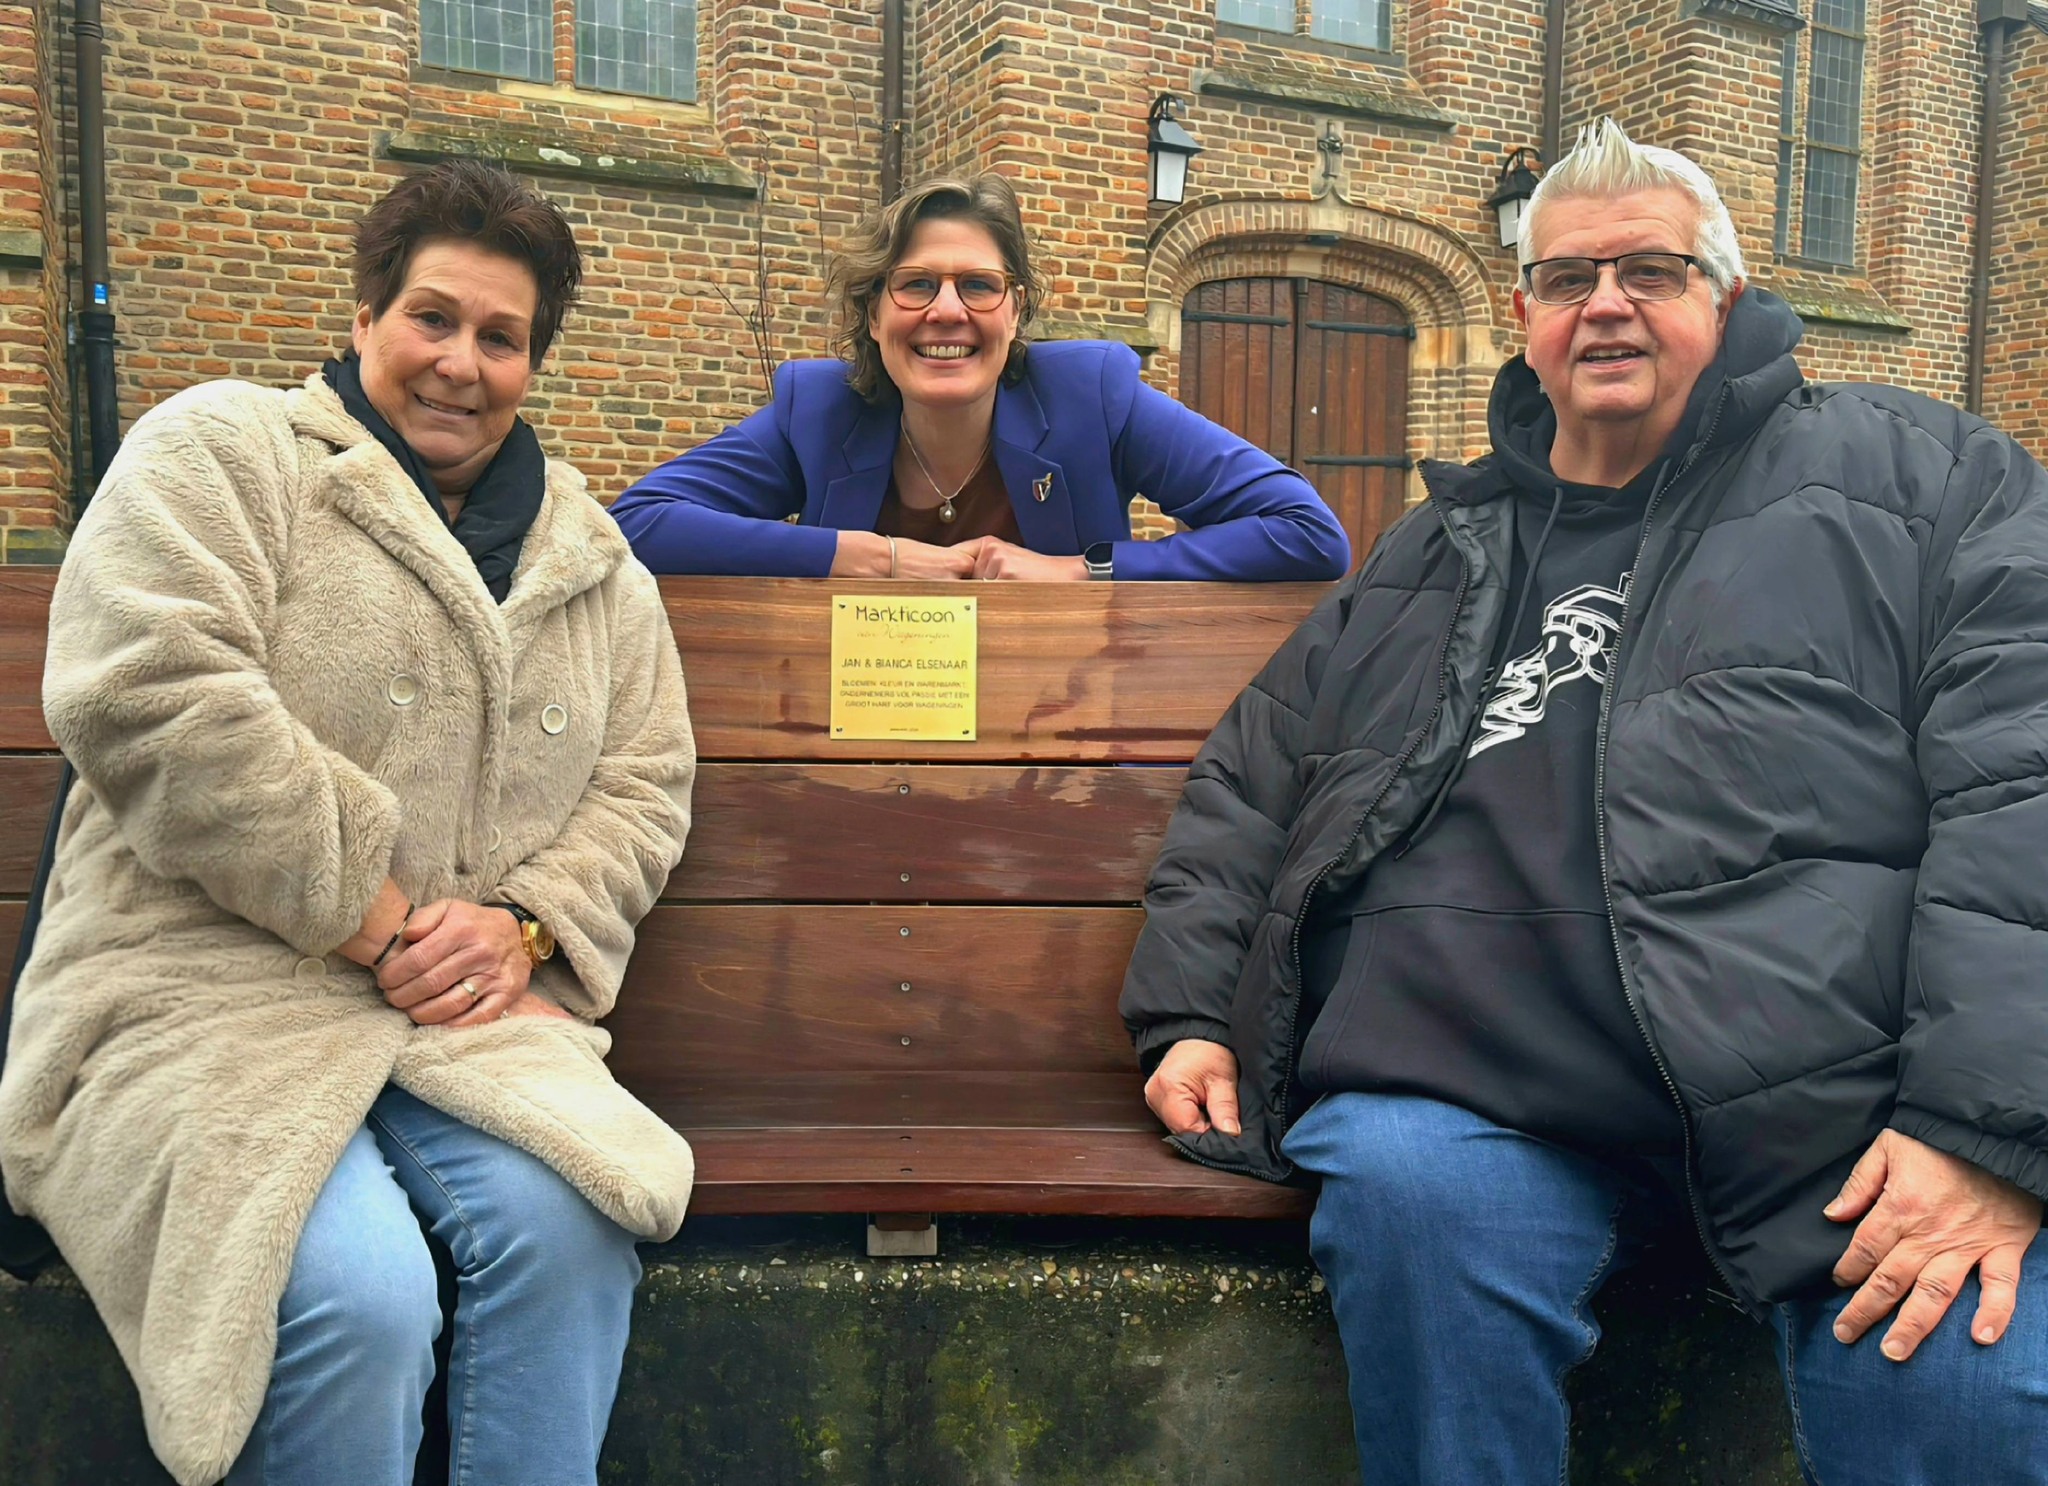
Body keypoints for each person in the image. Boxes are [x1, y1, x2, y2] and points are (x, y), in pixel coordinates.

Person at [1120, 118, 2048, 1485]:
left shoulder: (1922, 481)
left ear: (1724, 302)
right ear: (1525, 316)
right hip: (1462, 1095)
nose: (1604, 304)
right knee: (1410, 1207)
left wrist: (1984, 1126)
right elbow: (1257, 775)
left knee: (1957, 1383)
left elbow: (2023, 782)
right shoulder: (1438, 544)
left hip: (1827, 1101)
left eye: (1651, 272)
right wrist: (1191, 1007)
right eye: (1567, 281)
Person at [0, 161, 696, 1486]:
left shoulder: (595, 564)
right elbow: (151, 693)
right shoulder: (220, 451)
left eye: (501, 337)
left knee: (572, 1233)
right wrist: (378, 921)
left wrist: (526, 922)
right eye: (435, 317)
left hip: (465, 1023)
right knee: (354, 1298)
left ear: (534, 361)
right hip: (194, 998)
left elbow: (646, 783)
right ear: (368, 311)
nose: (461, 363)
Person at [609, 173, 1350, 582]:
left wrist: (1085, 572)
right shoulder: (819, 412)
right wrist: (874, 557)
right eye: (916, 285)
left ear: (1016, 309)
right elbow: (638, 525)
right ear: (873, 316)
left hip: (1067, 749)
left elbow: (1309, 533)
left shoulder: (1093, 397)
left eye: (979, 286)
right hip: (858, 751)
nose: (948, 312)